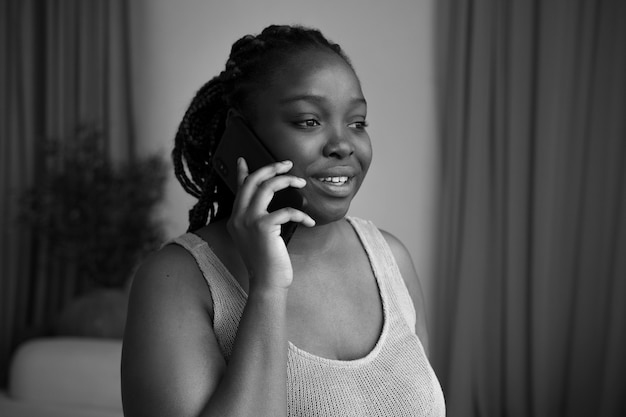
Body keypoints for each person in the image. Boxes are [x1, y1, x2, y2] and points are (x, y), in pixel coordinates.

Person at [121, 24, 445, 417]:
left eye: (357, 122)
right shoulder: (176, 280)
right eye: (309, 121)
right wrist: (268, 288)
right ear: (240, 136)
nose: (343, 144)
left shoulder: (390, 259)